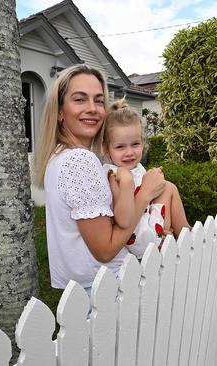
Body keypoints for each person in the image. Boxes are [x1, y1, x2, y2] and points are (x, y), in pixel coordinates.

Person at [34, 65, 166, 290]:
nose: (92, 108)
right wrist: (145, 193)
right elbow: (105, 249)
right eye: (79, 99)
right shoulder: (79, 161)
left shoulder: (58, 156)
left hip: (88, 287)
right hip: (111, 286)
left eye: (98, 100)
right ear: (59, 111)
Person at [102, 99, 190, 259]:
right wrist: (128, 184)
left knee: (166, 186)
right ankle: (188, 237)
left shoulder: (136, 170)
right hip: (137, 237)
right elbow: (122, 219)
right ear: (106, 149)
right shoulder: (115, 176)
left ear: (143, 143)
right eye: (120, 147)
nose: (129, 152)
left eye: (135, 144)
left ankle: (186, 236)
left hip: (147, 227)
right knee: (169, 187)